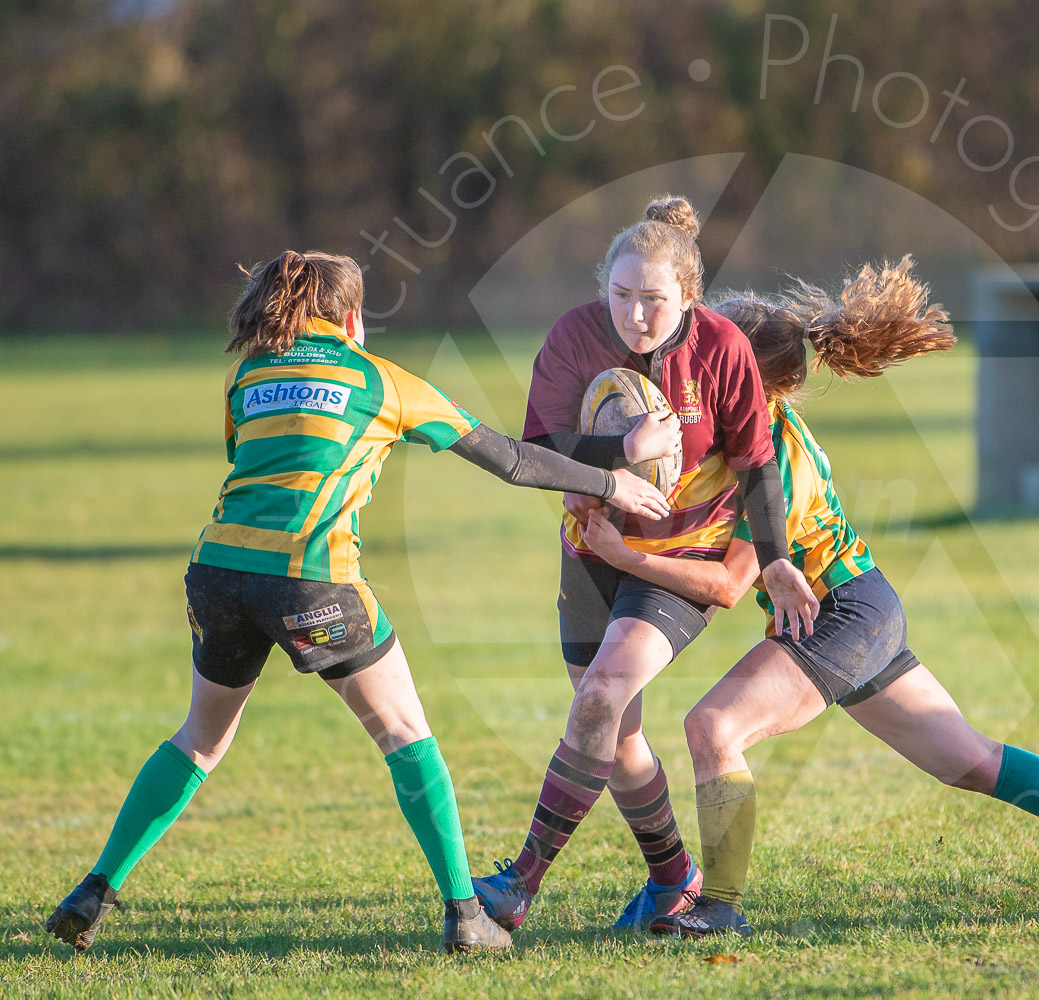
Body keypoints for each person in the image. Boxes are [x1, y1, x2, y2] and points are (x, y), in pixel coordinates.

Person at [43, 251, 674, 955]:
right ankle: (467, 913)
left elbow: (253, 465)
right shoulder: (381, 380)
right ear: (351, 317)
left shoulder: (247, 373)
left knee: (199, 738)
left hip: (217, 571)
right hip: (312, 578)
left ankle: (94, 888)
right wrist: (613, 478)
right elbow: (508, 458)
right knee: (407, 735)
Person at [579, 257, 1039, 938]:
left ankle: (718, 906)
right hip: (862, 606)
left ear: (745, 378)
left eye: (710, 355)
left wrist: (624, 555)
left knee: (713, 728)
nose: (691, 367)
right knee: (969, 760)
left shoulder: (773, 459)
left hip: (839, 614)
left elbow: (730, 584)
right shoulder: (739, 437)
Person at [470, 197, 819, 932]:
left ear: (688, 297)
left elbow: (759, 466)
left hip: (678, 560)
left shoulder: (724, 349)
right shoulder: (573, 336)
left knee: (598, 695)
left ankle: (519, 887)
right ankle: (673, 877)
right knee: (617, 732)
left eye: (654, 300)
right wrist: (618, 456)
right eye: (621, 296)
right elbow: (536, 452)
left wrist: (779, 561)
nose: (635, 315)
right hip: (591, 548)